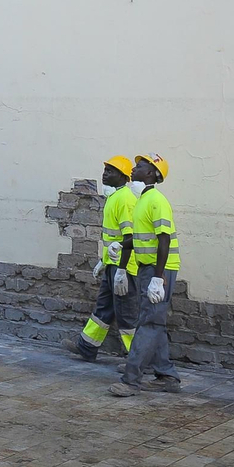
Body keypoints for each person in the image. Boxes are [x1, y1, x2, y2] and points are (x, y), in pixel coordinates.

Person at [110, 154, 181, 396]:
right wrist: (121, 247)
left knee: (149, 322)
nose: (134, 168)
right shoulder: (143, 200)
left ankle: (131, 379)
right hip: (147, 267)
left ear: (151, 173)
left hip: (159, 269)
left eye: (139, 166)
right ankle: (167, 375)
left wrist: (157, 278)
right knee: (155, 322)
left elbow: (164, 240)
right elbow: (142, 239)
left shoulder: (156, 201)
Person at [69, 155, 138, 363]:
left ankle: (137, 361)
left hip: (125, 268)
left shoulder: (124, 199)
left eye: (110, 170)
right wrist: (104, 260)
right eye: (106, 169)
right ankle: (87, 347)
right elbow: (113, 239)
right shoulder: (115, 197)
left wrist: (122, 271)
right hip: (113, 265)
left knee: (126, 316)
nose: (105, 173)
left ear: (123, 176)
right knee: (103, 308)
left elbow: (130, 238)